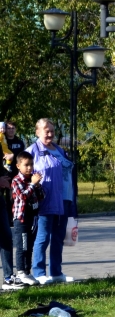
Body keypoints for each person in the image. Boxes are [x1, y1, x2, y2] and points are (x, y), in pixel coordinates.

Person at [27, 118, 76, 285]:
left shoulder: (59, 150)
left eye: (52, 131)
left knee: (58, 237)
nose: (50, 134)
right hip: (46, 200)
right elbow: (24, 173)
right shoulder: (33, 150)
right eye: (46, 130)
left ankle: (56, 273)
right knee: (43, 237)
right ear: (37, 132)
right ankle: (39, 272)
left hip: (65, 199)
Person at [10, 151, 42, 286]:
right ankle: (21, 272)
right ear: (18, 166)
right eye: (26, 165)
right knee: (22, 246)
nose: (29, 168)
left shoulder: (31, 180)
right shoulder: (16, 180)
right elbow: (22, 196)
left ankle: (27, 272)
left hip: (32, 218)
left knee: (29, 246)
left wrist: (39, 187)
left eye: (31, 165)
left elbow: (41, 197)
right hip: (21, 220)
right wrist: (33, 185)